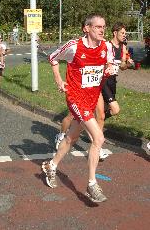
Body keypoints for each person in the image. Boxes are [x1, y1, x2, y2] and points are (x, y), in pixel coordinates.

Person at [42, 13, 115, 203]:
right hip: (75, 97)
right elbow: (53, 57)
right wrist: (59, 79)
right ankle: (92, 184)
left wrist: (109, 69)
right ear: (87, 28)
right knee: (98, 137)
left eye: (103, 26)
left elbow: (109, 64)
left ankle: (51, 165)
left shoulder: (106, 47)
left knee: (71, 138)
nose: (102, 30)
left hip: (91, 98)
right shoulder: (74, 46)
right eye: (98, 27)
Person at [96, 22, 134, 131]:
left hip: (113, 81)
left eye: (125, 33)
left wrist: (128, 64)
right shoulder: (107, 45)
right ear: (115, 33)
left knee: (104, 112)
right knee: (115, 109)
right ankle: (94, 124)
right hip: (104, 81)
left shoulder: (123, 47)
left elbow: (122, 67)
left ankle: (95, 134)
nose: (124, 35)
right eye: (122, 33)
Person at [0, 34, 10, 101]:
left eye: (0, 38)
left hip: (1, 63)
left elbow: (9, 50)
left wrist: (4, 53)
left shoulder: (4, 44)